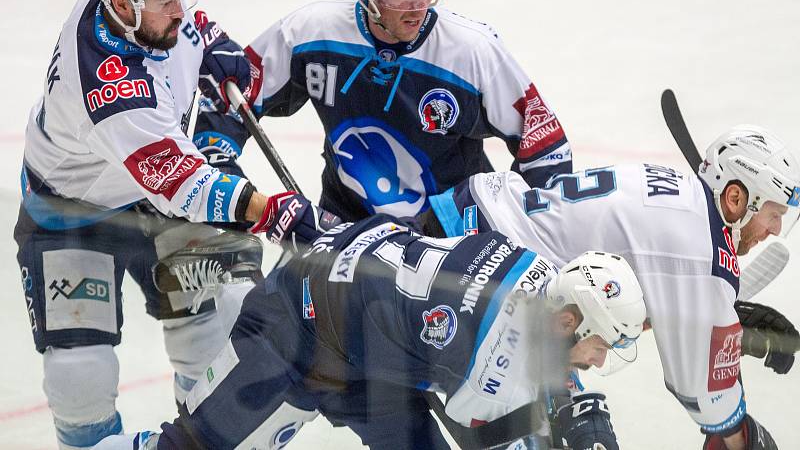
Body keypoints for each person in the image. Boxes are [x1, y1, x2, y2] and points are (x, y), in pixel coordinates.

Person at [14, 0, 287, 448]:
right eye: (167, 0)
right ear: (120, 2)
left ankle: (203, 436)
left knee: (219, 333)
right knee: (80, 378)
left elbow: (190, 23)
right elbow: (181, 182)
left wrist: (216, 44)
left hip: (151, 194)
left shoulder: (135, 0)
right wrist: (270, 209)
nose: (180, 10)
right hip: (73, 213)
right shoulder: (110, 85)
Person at [94, 195, 647, 450]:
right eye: (600, 345)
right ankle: (236, 274)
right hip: (298, 330)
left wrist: (562, 404)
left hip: (369, 330)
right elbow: (480, 432)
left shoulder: (539, 266)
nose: (600, 359)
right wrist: (560, 419)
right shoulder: (484, 357)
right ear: (568, 320)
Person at [422, 124, 800, 449]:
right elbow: (702, 392)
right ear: (736, 198)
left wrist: (709, 315)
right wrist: (739, 433)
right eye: (773, 215)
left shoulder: (680, 193)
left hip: (472, 223)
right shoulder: (702, 251)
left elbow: (626, 289)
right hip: (483, 278)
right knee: (577, 431)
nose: (776, 229)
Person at [204, 0, 572, 222]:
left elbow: (545, 148)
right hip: (347, 229)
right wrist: (227, 184)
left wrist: (526, 225)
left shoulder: (472, 50)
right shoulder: (308, 33)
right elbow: (231, 96)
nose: (419, 6)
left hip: (454, 237)